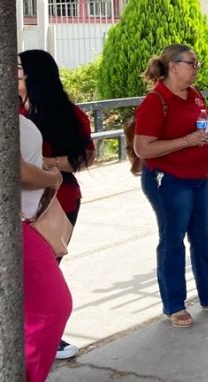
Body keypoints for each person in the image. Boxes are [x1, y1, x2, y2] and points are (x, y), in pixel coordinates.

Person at [134, 44, 208, 328]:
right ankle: (174, 305)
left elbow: (205, 133)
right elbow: (143, 147)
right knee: (173, 241)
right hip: (168, 180)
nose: (196, 68)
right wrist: (185, 141)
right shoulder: (156, 101)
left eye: (196, 63)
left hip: (198, 178)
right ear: (173, 66)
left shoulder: (194, 95)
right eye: (192, 63)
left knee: (203, 236)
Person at [18, 49, 94, 360]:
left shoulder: (67, 113)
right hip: (20, 207)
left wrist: (45, 166)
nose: (13, 73)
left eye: (20, 69)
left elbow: (84, 157)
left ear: (36, 75)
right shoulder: (12, 112)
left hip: (56, 203)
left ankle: (48, 337)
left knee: (46, 274)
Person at [20, 113, 73, 382]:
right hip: (14, 224)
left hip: (23, 220)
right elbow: (19, 172)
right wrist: (51, 178)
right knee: (53, 306)